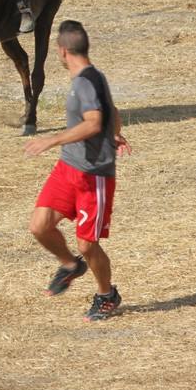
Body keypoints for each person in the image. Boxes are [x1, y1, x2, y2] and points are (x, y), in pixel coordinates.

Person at [26, 20, 130, 322]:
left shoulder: (85, 81)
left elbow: (95, 121)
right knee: (39, 225)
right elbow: (112, 113)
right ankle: (70, 265)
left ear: (61, 51)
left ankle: (107, 295)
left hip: (93, 175)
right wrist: (115, 133)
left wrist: (52, 139)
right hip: (67, 167)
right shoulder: (91, 76)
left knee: (87, 243)